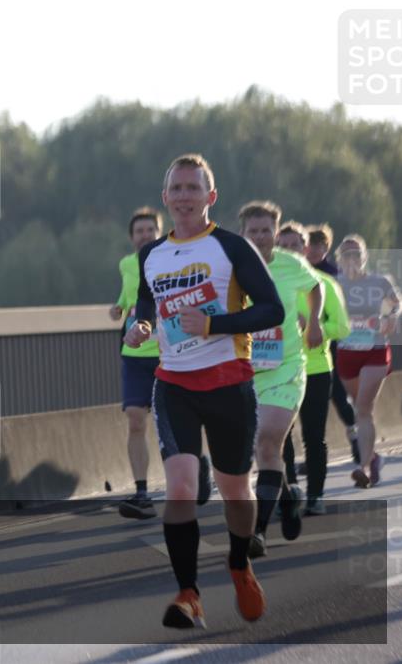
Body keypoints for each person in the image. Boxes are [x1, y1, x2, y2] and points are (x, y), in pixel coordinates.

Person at [125, 153, 283, 629]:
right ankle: (188, 594)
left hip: (229, 382)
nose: (185, 196)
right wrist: (139, 327)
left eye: (194, 188)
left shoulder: (232, 247)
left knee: (236, 490)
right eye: (177, 188)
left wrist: (215, 323)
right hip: (174, 385)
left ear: (210, 197)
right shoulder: (151, 255)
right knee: (180, 488)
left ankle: (239, 565)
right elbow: (146, 305)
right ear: (165, 198)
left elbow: (271, 310)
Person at [111, 208, 211, 519]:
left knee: (180, 422)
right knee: (135, 419)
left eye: (149, 230)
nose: (144, 236)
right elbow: (135, 297)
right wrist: (119, 307)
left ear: (160, 232)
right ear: (131, 238)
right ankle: (142, 493)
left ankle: (198, 463)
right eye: (138, 231)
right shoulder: (127, 264)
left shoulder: (174, 259)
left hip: (171, 352)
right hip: (135, 355)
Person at [239, 205, 323, 559]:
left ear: (275, 231)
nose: (260, 237)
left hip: (286, 367)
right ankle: (288, 497)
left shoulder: (291, 264)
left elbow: (315, 287)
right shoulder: (232, 267)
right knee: (262, 451)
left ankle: (257, 532)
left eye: (265, 230)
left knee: (268, 440)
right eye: (253, 231)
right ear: (243, 232)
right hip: (246, 370)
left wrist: (315, 322)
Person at [277, 222, 350, 516]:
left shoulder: (324, 283)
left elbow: (343, 326)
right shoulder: (268, 281)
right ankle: (289, 490)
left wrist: (316, 327)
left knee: (313, 435)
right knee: (279, 436)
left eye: (295, 245)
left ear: (305, 249)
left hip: (317, 369)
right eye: (284, 245)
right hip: (279, 370)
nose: (290, 251)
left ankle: (315, 495)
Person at [335, 235, 401, 488]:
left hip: (375, 349)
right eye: (347, 254)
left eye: (356, 254)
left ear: (364, 257)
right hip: (347, 351)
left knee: (363, 407)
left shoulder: (379, 281)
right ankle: (373, 458)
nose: (352, 259)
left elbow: (397, 303)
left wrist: (392, 316)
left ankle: (363, 468)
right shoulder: (334, 284)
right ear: (340, 259)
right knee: (360, 409)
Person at [307, 224, 361, 464]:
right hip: (302, 345)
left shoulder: (334, 274)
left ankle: (355, 433)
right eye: (311, 245)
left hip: (331, 342)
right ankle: (312, 455)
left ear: (326, 247)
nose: (314, 250)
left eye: (319, 245)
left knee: (337, 395)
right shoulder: (299, 271)